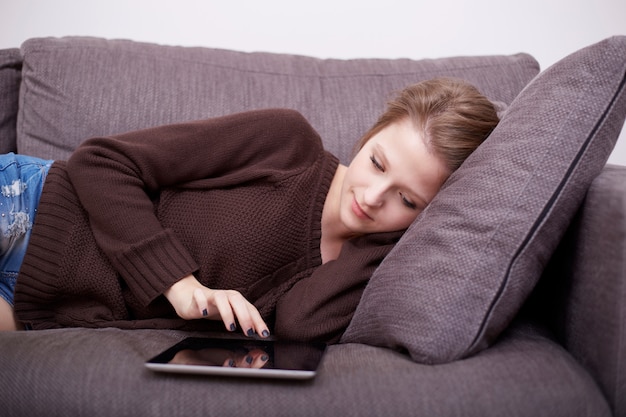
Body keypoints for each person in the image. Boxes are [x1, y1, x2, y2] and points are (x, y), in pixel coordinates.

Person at [0, 77, 499, 342]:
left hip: (39, 305)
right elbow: (101, 163)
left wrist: (386, 245)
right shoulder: (287, 143)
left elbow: (299, 325)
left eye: (407, 199)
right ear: (370, 132)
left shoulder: (359, 272)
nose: (372, 198)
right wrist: (180, 283)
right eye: (376, 162)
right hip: (31, 205)